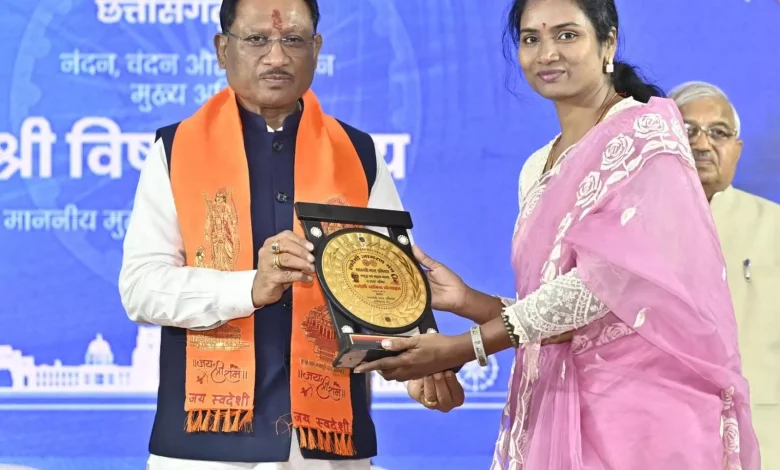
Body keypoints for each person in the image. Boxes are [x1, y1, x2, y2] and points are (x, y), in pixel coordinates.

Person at [355, 0, 761, 468]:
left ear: (608, 42)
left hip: (644, 420)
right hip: (557, 406)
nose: (547, 53)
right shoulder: (538, 166)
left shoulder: (648, 138)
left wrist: (466, 346)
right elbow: (563, 321)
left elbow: (600, 286)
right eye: (532, 39)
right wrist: (468, 301)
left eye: (567, 35)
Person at [117, 0, 462, 468]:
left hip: (330, 447)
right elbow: (140, 289)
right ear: (222, 49)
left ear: (316, 49)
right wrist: (249, 288)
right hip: (205, 447)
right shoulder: (175, 150)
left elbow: (387, 287)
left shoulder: (357, 154)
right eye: (257, 39)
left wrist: (415, 365)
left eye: (293, 40)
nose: (277, 57)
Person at [670, 81, 780, 470]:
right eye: (687, 130)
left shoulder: (774, 226)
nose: (702, 144)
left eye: (718, 132)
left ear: (737, 148)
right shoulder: (631, 226)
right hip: (663, 433)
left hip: (764, 435)